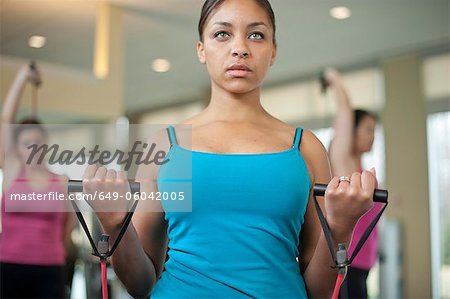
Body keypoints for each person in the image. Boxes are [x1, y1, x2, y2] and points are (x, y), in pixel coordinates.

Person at [82, 1, 378, 298]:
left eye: (256, 35)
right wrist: (115, 222)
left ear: (273, 50)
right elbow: (140, 283)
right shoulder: (166, 144)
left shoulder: (305, 148)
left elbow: (319, 291)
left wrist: (340, 228)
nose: (240, 48)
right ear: (201, 49)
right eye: (222, 34)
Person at [0, 64, 76, 298]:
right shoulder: (12, 171)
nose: (32, 148)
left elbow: (70, 226)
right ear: (18, 148)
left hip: (50, 268)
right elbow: (5, 119)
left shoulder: (62, 182)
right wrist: (22, 76)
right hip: (8, 266)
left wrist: (50, 250)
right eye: (26, 143)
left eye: (37, 142)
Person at [324, 68, 382, 299]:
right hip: (349, 264)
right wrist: (333, 79)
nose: (372, 136)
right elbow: (344, 108)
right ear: (351, 131)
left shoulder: (362, 167)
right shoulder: (344, 162)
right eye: (368, 129)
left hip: (363, 265)